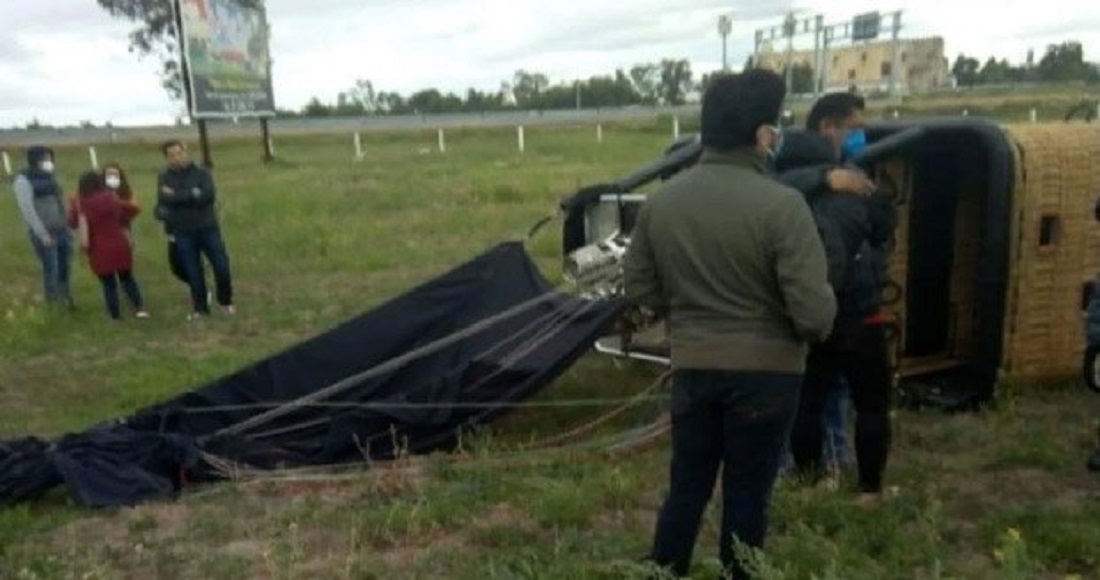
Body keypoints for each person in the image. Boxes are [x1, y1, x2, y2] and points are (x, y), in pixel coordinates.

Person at [624, 69, 836, 580]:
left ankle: (663, 572)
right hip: (769, 377)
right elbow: (813, 317)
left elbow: (641, 295)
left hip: (693, 370)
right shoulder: (784, 206)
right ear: (765, 136)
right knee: (747, 494)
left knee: (687, 487)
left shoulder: (661, 204)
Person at [775, 92, 898, 504]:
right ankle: (869, 490)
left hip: (808, 311)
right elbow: (882, 231)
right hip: (858, 310)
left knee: (809, 399)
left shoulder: (791, 178)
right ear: (829, 127)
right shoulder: (843, 182)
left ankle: (808, 481)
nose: (860, 134)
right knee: (871, 402)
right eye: (854, 126)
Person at [155, 140, 233, 319]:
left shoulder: (202, 173)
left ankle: (225, 301)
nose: (176, 158)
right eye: (171, 155)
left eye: (179, 153)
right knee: (193, 271)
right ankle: (200, 308)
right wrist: (191, 194)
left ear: (186, 152)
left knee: (221, 266)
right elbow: (163, 201)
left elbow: (207, 196)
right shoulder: (164, 177)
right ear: (167, 158)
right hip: (182, 232)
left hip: (207, 227)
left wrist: (176, 196)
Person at [68, 171, 148, 320]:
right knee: (127, 278)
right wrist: (122, 220)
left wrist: (83, 248)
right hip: (119, 243)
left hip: (99, 247)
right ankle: (140, 308)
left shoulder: (83, 204)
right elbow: (133, 208)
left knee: (108, 284)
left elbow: (77, 226)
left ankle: (116, 316)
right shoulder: (112, 198)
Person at [12, 145, 75, 308]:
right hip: (45, 233)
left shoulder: (50, 177)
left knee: (64, 269)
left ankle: (66, 300)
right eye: (46, 159)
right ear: (36, 160)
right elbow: (28, 210)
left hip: (61, 230)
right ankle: (53, 304)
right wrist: (42, 235)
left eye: (50, 159)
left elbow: (60, 202)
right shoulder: (23, 181)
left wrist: (67, 226)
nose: (49, 162)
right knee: (51, 269)